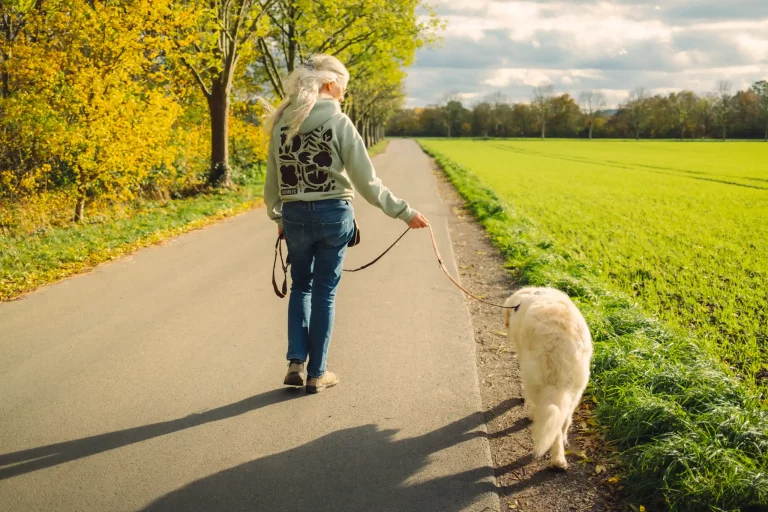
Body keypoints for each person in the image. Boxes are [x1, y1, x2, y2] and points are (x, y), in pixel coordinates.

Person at [264, 54, 429, 394]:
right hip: (333, 215)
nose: (344, 93)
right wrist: (404, 212)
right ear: (328, 83)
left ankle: (296, 361)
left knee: (301, 287)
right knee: (324, 292)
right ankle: (317, 373)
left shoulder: (282, 123)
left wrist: (278, 217)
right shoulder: (339, 123)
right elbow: (367, 183)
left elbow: (272, 183)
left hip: (294, 215)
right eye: (342, 85)